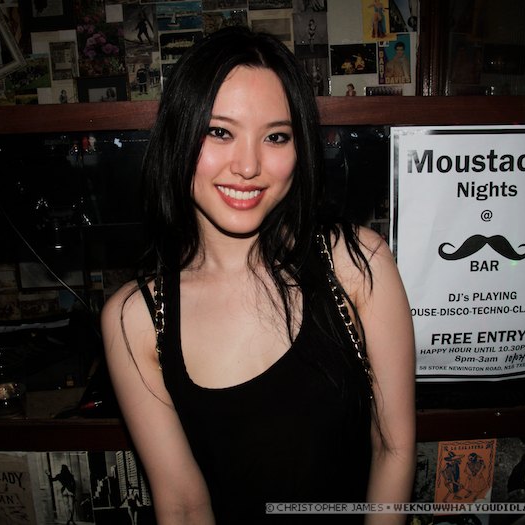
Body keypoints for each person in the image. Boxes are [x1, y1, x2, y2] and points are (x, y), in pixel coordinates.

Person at [102, 26, 415, 524]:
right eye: (220, 132)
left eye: (275, 137)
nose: (248, 166)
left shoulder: (356, 264)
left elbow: (393, 448)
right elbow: (183, 506)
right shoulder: (136, 317)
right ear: (181, 134)